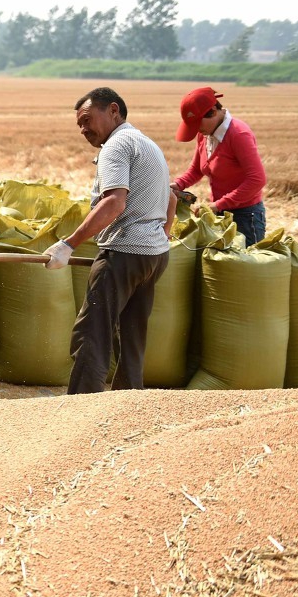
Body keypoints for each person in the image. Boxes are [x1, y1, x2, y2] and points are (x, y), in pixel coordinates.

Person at [44, 87, 175, 395]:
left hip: (123, 253)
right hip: (154, 256)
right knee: (132, 336)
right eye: (79, 124)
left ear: (113, 111)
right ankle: (128, 403)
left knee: (92, 333)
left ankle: (81, 407)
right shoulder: (146, 143)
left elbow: (115, 202)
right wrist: (161, 237)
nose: (83, 129)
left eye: (88, 119)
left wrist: (69, 243)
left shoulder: (115, 147)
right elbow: (170, 197)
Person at [170, 86, 267, 245]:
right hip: (220, 214)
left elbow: (257, 180)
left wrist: (217, 205)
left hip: (245, 217)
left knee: (243, 266)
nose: (197, 131)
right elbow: (196, 170)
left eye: (197, 124)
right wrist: (178, 184)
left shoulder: (238, 135)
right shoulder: (205, 134)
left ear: (213, 112)